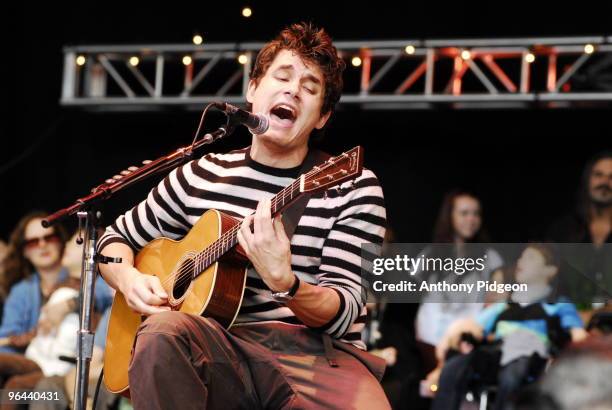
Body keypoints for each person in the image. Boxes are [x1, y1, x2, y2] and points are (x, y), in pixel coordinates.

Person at [97, 22, 390, 409]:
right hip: (219, 349)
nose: (292, 90)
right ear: (253, 89)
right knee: (162, 331)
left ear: (322, 117)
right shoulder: (200, 173)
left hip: (313, 356)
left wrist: (285, 283)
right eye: (282, 76)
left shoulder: (350, 185)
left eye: (310, 87)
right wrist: (130, 278)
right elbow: (111, 243)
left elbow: (344, 310)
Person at [430, 243, 588, 410]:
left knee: (512, 375)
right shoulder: (505, 305)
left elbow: (578, 335)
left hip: (531, 355)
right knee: (453, 369)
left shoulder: (557, 305)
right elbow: (474, 325)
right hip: (496, 353)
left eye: (531, 258)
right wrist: (451, 336)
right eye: (521, 257)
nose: (521, 261)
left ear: (550, 270)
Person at [415, 190, 503, 377]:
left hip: (464, 341)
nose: (471, 219)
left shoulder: (490, 257)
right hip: (428, 339)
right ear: (450, 217)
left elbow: (497, 299)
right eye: (464, 213)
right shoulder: (429, 254)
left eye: (476, 213)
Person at [547, 151, 612, 308]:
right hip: (569, 322)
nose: (605, 182)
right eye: (598, 175)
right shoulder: (562, 231)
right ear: (588, 179)